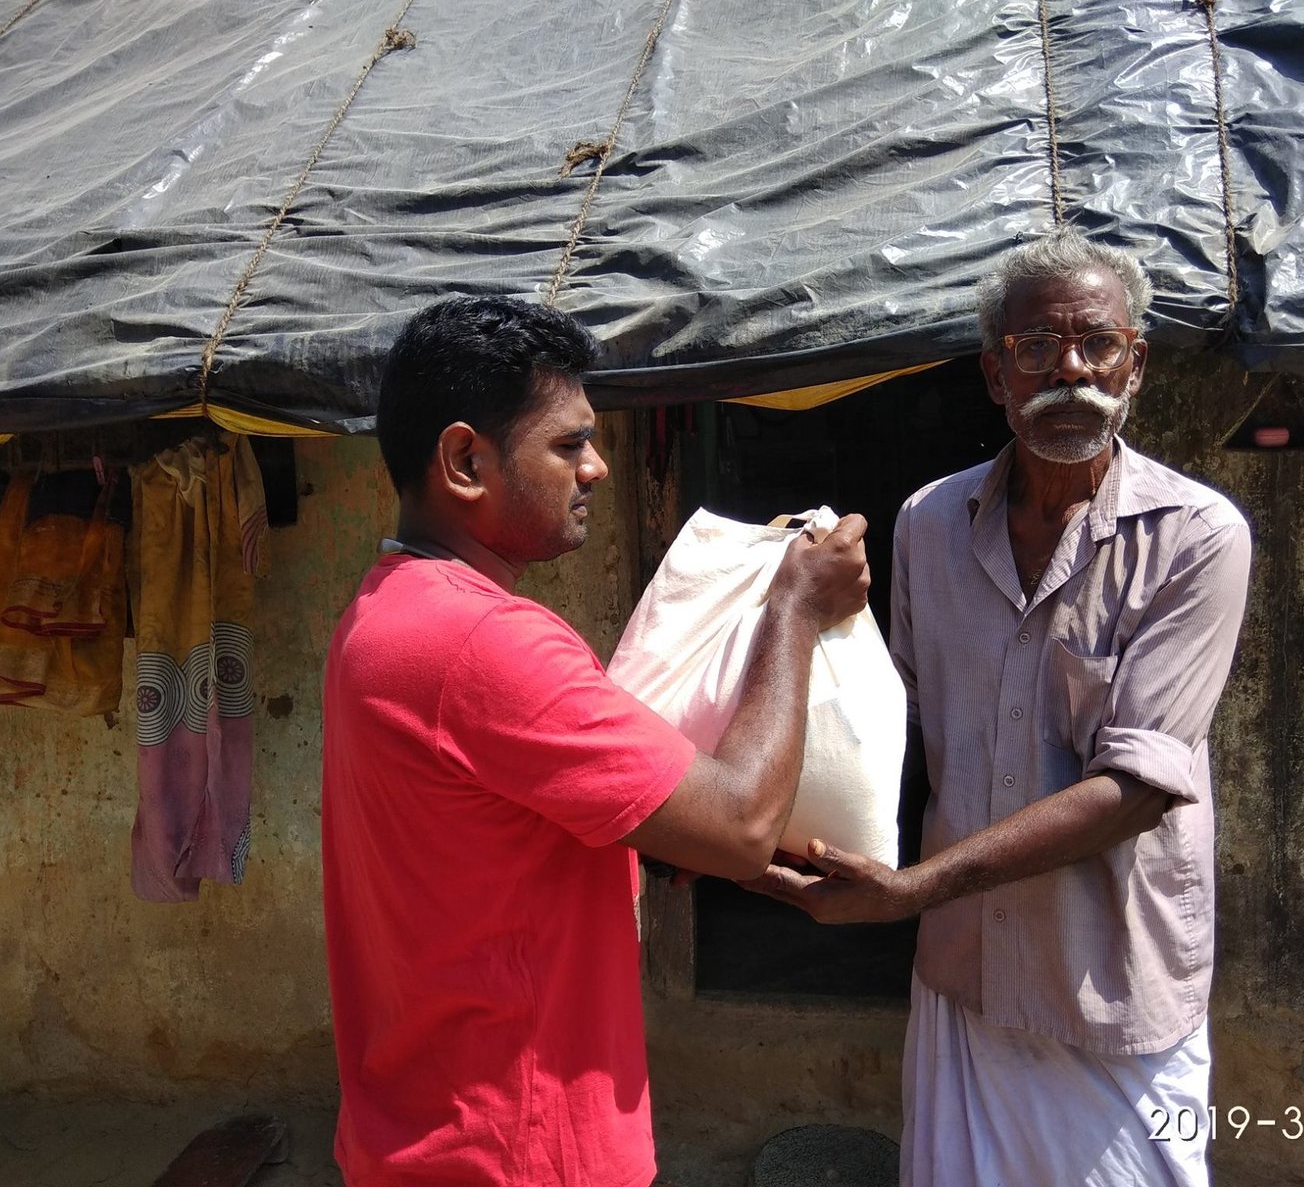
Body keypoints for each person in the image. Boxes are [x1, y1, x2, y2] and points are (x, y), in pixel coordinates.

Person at [321, 295, 869, 1187]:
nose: (598, 468)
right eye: (568, 444)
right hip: (524, 1151)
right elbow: (738, 823)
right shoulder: (488, 643)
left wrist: (648, 844)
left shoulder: (381, 615)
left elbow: (491, 839)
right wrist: (796, 610)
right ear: (466, 460)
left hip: (422, 1133)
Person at [746, 229, 1251, 1187]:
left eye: (1098, 345)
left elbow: (1139, 788)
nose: (1071, 370)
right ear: (994, 374)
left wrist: (914, 891)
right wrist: (734, 827)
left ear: (1135, 363)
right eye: (1036, 349)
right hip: (967, 977)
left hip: (1109, 987)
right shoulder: (931, 523)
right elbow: (885, 725)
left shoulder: (1197, 537)